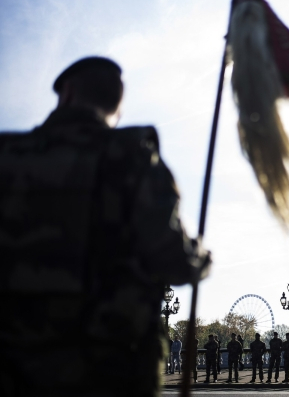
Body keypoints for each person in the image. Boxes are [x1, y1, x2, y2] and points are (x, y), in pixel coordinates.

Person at [0, 56, 210, 397]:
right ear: (118, 111)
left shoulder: (6, 154)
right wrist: (201, 256)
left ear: (66, 93)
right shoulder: (132, 157)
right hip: (104, 370)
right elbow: (174, 261)